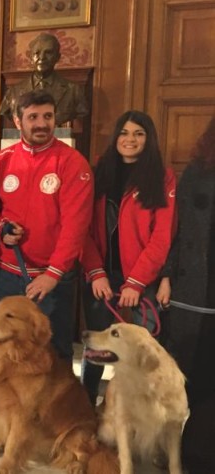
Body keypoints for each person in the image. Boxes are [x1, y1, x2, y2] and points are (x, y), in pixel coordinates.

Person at [0, 90, 93, 437]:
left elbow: (76, 225)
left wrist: (53, 274)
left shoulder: (73, 164)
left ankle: (47, 419)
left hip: (50, 280)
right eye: (33, 117)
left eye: (47, 116)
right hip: (6, 275)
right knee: (0, 346)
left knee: (51, 355)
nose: (42, 124)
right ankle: (4, 415)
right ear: (18, 121)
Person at [79, 111, 177, 404]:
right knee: (96, 345)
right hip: (102, 278)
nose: (130, 139)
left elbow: (163, 236)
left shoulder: (162, 176)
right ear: (115, 137)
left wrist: (136, 282)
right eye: (124, 132)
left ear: (149, 139)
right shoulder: (98, 171)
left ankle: (137, 406)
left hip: (142, 279)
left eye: (138, 133)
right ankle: (86, 403)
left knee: (144, 349)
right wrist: (95, 271)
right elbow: (81, 228)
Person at [159, 117, 215, 473]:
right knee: (184, 376)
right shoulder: (196, 174)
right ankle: (173, 450)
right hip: (192, 294)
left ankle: (199, 451)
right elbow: (175, 234)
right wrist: (165, 277)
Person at [0, 33, 89, 126]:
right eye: (37, 53)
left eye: (48, 53)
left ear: (57, 57)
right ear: (31, 57)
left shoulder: (73, 91)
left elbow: (81, 112)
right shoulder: (13, 92)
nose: (42, 58)